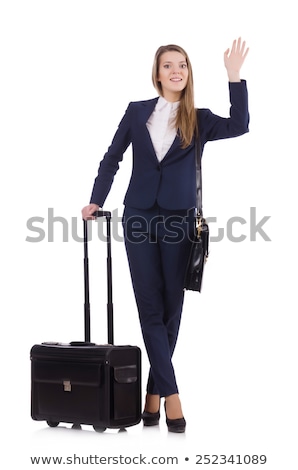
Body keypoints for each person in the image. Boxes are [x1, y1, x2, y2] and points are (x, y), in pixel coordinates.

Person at [82, 38, 249, 433]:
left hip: (179, 219)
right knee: (149, 306)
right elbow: (112, 157)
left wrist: (234, 78)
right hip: (138, 216)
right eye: (168, 65)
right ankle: (172, 396)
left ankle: (153, 396)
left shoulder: (199, 117)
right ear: (157, 73)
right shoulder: (137, 111)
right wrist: (94, 200)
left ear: (189, 74)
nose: (176, 70)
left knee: (172, 310)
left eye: (183, 65)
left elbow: (240, 125)